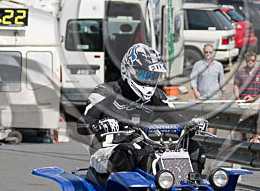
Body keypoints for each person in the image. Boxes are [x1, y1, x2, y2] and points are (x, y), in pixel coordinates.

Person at [83, 43, 206, 175]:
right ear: (128, 70)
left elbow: (177, 120)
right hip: (106, 150)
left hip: (144, 146)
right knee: (128, 152)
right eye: (143, 75)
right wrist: (101, 124)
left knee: (194, 149)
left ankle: (190, 188)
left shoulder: (157, 97)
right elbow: (82, 125)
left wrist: (192, 125)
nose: (148, 81)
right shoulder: (105, 92)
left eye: (153, 76)